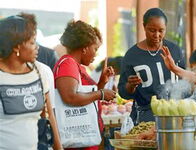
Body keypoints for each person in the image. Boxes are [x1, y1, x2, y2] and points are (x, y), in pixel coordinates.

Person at [0, 14, 61, 150]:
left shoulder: (39, 71)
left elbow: (49, 115)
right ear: (16, 47)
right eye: (32, 42)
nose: (37, 47)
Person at [53, 20, 116, 150]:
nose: (96, 54)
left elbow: (85, 97)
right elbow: (70, 97)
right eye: (95, 49)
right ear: (85, 48)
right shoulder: (68, 64)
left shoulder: (76, 66)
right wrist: (101, 93)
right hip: (77, 143)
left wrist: (101, 83)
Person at [118, 8, 185, 124]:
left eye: (161, 30)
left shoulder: (174, 50)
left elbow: (185, 81)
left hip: (175, 115)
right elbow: (123, 92)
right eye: (152, 30)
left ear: (166, 28)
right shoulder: (132, 55)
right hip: (146, 117)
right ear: (144, 27)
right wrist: (130, 85)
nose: (157, 35)